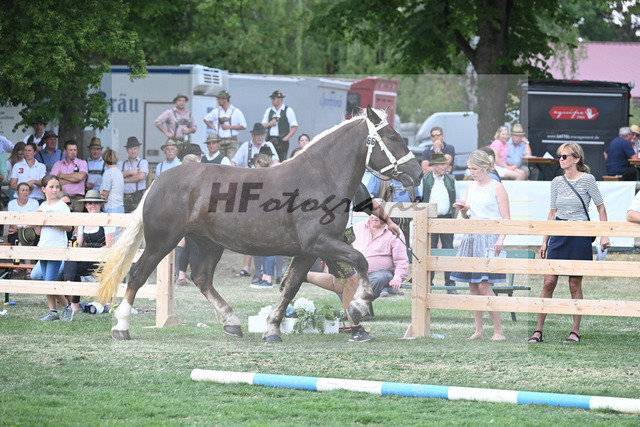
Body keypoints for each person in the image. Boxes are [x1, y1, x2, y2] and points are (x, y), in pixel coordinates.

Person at [529, 142, 610, 344]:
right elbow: (552, 212)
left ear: (576, 158)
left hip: (580, 233)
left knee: (574, 283)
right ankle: (538, 330)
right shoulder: (556, 181)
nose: (561, 159)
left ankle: (575, 331)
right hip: (558, 233)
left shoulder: (588, 179)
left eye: (564, 156)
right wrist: (544, 241)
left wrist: (604, 235)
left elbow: (601, 208)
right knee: (548, 282)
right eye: (560, 156)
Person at [305, 184, 403, 342]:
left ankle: (303, 275)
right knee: (350, 281)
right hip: (333, 240)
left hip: (348, 243)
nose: (375, 218)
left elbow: (369, 203)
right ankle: (356, 329)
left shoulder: (353, 181)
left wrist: (389, 222)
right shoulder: (330, 182)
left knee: (342, 283)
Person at [450, 150, 510, 341]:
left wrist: (500, 239)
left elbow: (506, 218)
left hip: (489, 238)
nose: (472, 172)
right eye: (470, 168)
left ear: (485, 167)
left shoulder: (497, 187)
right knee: (473, 286)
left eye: (475, 168)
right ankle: (478, 330)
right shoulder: (470, 186)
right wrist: (464, 211)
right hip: (471, 237)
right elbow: (468, 216)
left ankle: (498, 331)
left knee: (484, 285)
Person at [63, 190, 115, 313]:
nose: (93, 206)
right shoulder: (83, 220)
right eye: (90, 203)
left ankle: (108, 302)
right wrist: (74, 247)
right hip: (87, 257)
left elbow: (109, 245)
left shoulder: (107, 219)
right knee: (71, 260)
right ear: (85, 205)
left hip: (103, 258)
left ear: (100, 204)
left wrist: (91, 254)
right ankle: (73, 300)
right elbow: (79, 243)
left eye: (96, 203)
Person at [34, 175, 73, 322]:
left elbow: (69, 227)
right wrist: (37, 220)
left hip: (57, 247)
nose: (55, 190)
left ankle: (66, 307)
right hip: (43, 246)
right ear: (43, 189)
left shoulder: (62, 206)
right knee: (47, 282)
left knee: (50, 281)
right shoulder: (42, 206)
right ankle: (52, 311)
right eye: (51, 187)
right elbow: (38, 232)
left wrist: (52, 219)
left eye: (57, 187)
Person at [421, 153, 458, 294]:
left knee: (448, 251)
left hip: (447, 218)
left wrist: (454, 217)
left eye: (445, 164)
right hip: (430, 219)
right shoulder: (425, 179)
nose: (445, 166)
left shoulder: (451, 179)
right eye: (442, 164)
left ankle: (450, 284)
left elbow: (457, 201)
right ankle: (428, 283)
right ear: (434, 165)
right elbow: (420, 199)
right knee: (430, 251)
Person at [202, 90, 247, 159]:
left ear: (225, 99)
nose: (218, 101)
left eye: (219, 99)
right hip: (219, 140)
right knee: (220, 160)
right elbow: (205, 119)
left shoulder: (236, 111)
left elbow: (244, 126)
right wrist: (213, 127)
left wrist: (229, 127)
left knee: (231, 160)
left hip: (232, 140)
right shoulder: (216, 111)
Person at [51, 140, 88, 212]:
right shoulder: (58, 164)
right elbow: (53, 182)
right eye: (70, 150)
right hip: (60, 198)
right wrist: (74, 180)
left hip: (76, 198)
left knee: (76, 218)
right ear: (65, 151)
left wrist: (62, 175)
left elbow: (80, 177)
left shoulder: (82, 163)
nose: (73, 152)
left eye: (75, 150)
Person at [262, 90, 298, 161]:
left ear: (280, 99)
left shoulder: (288, 110)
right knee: (267, 160)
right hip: (270, 139)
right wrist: (269, 124)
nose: (272, 101)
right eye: (272, 99)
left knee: (281, 160)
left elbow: (294, 126)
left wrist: (286, 138)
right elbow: (262, 125)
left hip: (281, 140)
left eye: (274, 99)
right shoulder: (269, 111)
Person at [118, 136, 148, 213]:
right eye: (131, 149)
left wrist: (125, 179)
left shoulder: (143, 162)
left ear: (138, 149)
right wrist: (130, 172)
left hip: (138, 196)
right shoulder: (121, 163)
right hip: (123, 196)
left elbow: (141, 176)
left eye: (135, 148)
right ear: (127, 150)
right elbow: (117, 176)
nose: (133, 151)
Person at [100, 149, 124, 214]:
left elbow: (104, 195)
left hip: (111, 208)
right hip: (120, 207)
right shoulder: (119, 172)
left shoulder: (108, 173)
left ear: (104, 160)